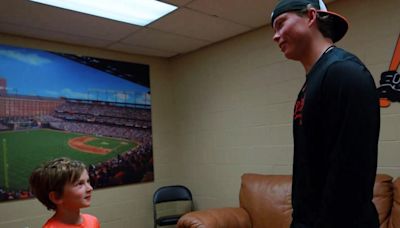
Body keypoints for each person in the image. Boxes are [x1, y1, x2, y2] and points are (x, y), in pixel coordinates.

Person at [270, 0, 380, 227]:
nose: (275, 36)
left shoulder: (344, 73)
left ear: (311, 17)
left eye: (281, 24)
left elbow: (352, 177)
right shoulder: (312, 82)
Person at [29, 157, 100, 228]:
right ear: (56, 197)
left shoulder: (93, 221)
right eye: (79, 184)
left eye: (88, 181)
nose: (90, 188)